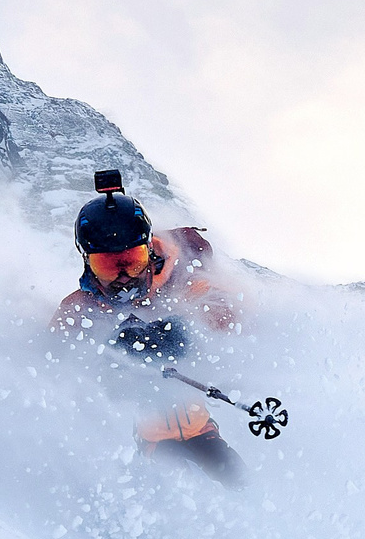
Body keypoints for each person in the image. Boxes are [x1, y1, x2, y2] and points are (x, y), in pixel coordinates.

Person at [52, 169, 244, 479]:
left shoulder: (180, 279)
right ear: (87, 262)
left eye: (133, 261)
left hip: (199, 428)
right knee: (176, 486)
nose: (123, 277)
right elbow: (53, 359)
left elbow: (223, 311)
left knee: (235, 478)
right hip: (144, 441)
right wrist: (105, 355)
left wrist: (185, 329)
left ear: (149, 252)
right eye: (108, 265)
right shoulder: (80, 309)